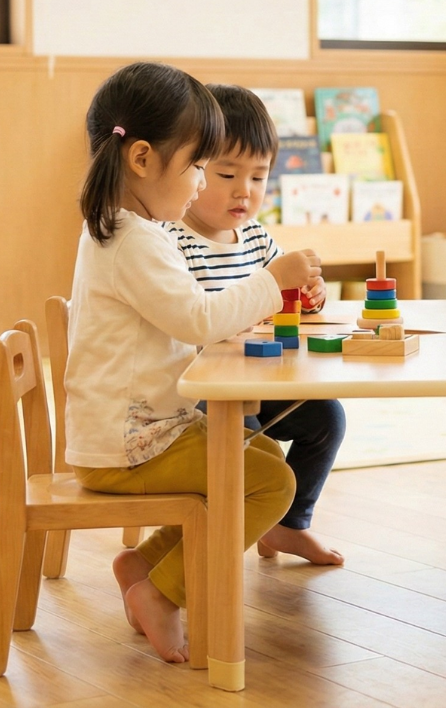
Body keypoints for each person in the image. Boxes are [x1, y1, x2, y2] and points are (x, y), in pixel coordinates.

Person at [62, 62, 320, 663]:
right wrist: (270, 279)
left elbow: (192, 317)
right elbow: (198, 319)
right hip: (129, 444)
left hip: (143, 429)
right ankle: (163, 593)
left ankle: (145, 561)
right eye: (198, 167)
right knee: (271, 480)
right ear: (143, 160)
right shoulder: (133, 241)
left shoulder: (135, 229)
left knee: (255, 453)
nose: (203, 185)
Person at [170, 83, 345, 566]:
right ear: (193, 167)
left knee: (326, 418)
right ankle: (221, 540)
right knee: (244, 437)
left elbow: (281, 291)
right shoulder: (172, 240)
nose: (243, 191)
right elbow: (193, 318)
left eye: (259, 176)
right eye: (227, 173)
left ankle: (287, 525)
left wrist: (310, 294)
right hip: (200, 391)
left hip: (257, 375)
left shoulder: (254, 236)